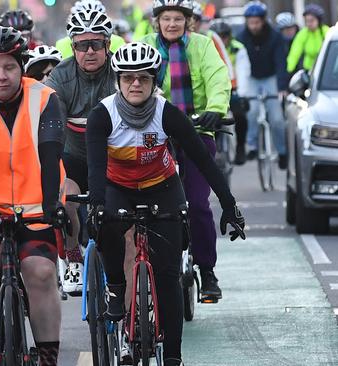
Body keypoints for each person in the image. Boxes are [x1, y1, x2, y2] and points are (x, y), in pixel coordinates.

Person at [86, 42, 246, 366]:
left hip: (162, 187)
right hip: (119, 187)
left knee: (168, 273)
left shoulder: (166, 113)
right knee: (108, 225)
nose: (135, 84)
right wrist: (98, 206)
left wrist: (230, 206)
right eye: (128, 78)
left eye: (143, 78)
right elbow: (94, 170)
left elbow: (203, 161)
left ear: (154, 81)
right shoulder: (102, 115)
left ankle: (173, 356)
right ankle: (116, 285)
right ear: (117, 81)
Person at [0, 26, 66, 366]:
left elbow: (51, 156)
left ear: (22, 67)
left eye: (9, 67)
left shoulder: (45, 98)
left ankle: (48, 354)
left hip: (37, 207)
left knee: (40, 273)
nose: (1, 76)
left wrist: (53, 206)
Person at [141, 0, 231, 303]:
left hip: (196, 132)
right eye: (166, 19)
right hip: (156, 135)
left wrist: (215, 110)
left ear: (187, 22)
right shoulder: (144, 46)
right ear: (158, 22)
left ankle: (207, 271)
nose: (171, 24)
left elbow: (217, 78)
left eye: (178, 19)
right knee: (146, 205)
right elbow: (133, 83)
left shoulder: (202, 46)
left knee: (198, 204)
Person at [46, 8, 118, 296]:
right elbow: (51, 125)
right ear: (72, 46)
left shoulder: (121, 74)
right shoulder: (60, 77)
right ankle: (73, 256)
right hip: (74, 158)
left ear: (107, 45)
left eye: (96, 44)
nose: (89, 51)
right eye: (81, 45)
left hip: (113, 159)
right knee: (66, 200)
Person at [236, 0, 288, 168]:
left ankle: (281, 152)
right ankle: (252, 146)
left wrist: (282, 88)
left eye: (257, 22)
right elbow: (239, 64)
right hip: (251, 77)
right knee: (251, 112)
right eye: (250, 22)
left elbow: (281, 63)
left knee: (277, 118)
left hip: (271, 77)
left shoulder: (276, 37)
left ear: (264, 20)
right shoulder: (241, 38)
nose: (254, 26)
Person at [210, 19, 251, 165]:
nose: (222, 39)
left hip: (234, 88)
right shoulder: (208, 48)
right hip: (213, 90)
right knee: (211, 117)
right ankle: (216, 147)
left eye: (224, 36)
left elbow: (243, 70)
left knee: (240, 115)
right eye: (218, 36)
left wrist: (242, 94)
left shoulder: (238, 48)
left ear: (229, 36)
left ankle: (240, 147)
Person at [55, 0, 125, 59]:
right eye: (82, 45)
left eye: (97, 43)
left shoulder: (118, 41)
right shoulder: (61, 44)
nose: (90, 51)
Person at [286, 4, 330, 74]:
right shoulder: (303, 34)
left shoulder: (327, 31)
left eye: (312, 21)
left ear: (318, 20)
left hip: (325, 69)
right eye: (306, 21)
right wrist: (288, 70)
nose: (309, 24)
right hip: (309, 70)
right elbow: (294, 53)